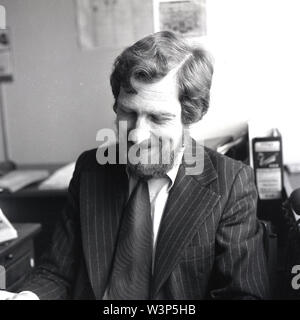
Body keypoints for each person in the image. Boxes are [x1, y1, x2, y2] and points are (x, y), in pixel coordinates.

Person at [1, 31, 269, 300]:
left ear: (189, 116)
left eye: (157, 118)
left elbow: (243, 294)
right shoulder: (90, 169)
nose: (137, 135)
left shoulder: (231, 183)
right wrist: (29, 297)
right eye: (128, 112)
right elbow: (57, 271)